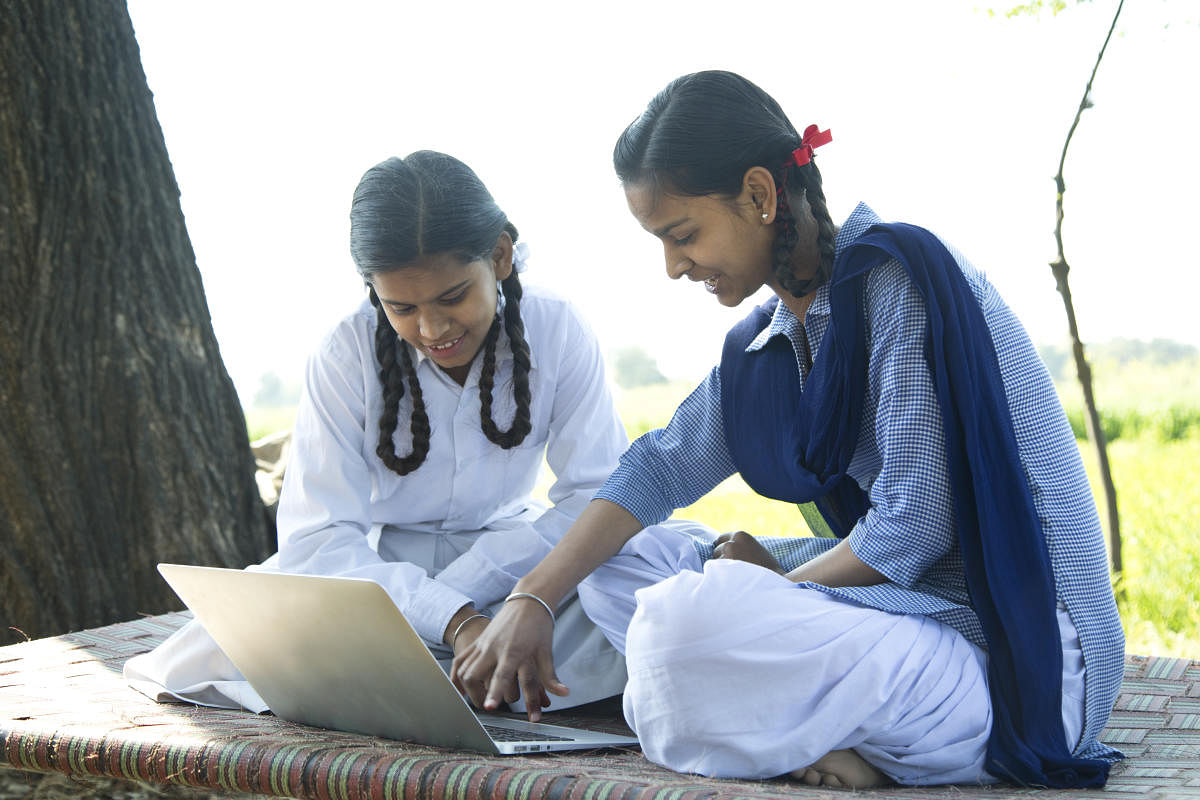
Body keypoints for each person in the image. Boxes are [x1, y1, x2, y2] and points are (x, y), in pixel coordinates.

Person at [451, 71, 1124, 788]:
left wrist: (770, 591)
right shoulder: (770, 338)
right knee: (621, 565)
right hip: (899, 624)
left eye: (682, 235)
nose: (674, 266)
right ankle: (820, 741)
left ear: (760, 195)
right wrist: (535, 595)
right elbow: (657, 470)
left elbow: (914, 527)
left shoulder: (896, 281)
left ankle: (770, 724)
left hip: (1018, 662)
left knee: (683, 624)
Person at [125, 150, 699, 713]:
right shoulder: (345, 351)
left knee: (654, 583)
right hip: (374, 581)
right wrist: (458, 618)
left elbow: (594, 498)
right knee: (244, 634)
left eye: (453, 297)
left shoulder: (557, 325)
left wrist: (506, 593)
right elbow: (320, 541)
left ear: (500, 256)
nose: (432, 328)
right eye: (400, 307)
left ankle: (431, 677)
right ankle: (457, 670)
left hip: (516, 564)